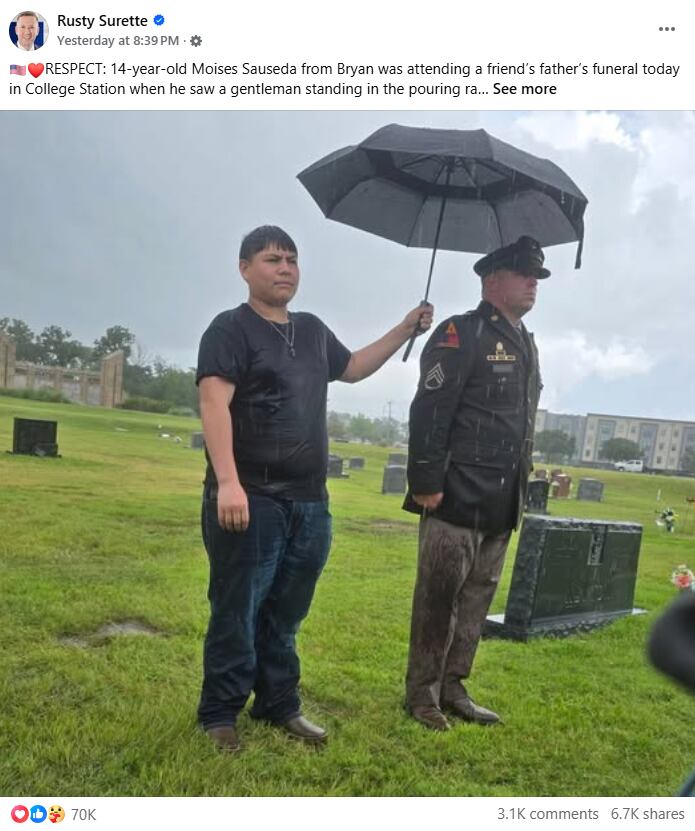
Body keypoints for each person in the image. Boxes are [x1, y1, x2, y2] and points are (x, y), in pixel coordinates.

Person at [196, 225, 433, 752]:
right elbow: (214, 405)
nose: (285, 268)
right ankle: (219, 713)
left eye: (292, 260)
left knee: (287, 612)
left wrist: (404, 328)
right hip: (249, 497)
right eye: (272, 259)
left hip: (309, 501)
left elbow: (351, 369)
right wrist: (228, 483)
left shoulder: (312, 330)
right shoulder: (229, 330)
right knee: (237, 608)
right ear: (244, 269)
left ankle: (279, 703)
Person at [402, 235, 546, 731]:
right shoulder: (459, 333)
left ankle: (454, 685)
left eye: (536, 276)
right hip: (456, 493)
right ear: (491, 281)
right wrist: (425, 480)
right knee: (438, 597)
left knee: (477, 599)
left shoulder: (525, 340)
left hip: (503, 498)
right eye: (523, 273)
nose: (533, 283)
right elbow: (430, 409)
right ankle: (422, 694)